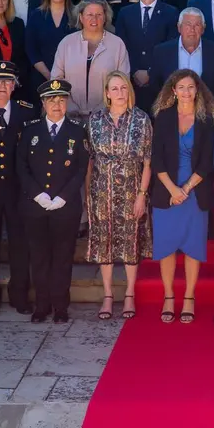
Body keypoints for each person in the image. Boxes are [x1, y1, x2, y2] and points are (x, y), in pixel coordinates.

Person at [150, 70, 214, 323]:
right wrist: (172, 189)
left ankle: (189, 297)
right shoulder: (163, 118)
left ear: (197, 90)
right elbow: (156, 157)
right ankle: (169, 296)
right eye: (181, 87)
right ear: (173, 90)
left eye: (191, 87)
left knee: (193, 247)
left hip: (195, 191)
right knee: (166, 246)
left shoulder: (207, 120)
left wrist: (186, 189)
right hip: (166, 191)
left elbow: (207, 161)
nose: (186, 92)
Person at [18, 78, 88, 323]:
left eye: (61, 100)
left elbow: (81, 168)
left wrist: (62, 197)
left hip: (65, 207)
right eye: (51, 100)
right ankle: (42, 305)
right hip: (35, 207)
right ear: (43, 103)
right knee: (39, 257)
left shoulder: (77, 131)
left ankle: (60, 306)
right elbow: (21, 166)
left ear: (67, 102)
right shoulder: (30, 130)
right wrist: (38, 195)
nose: (57, 105)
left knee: (62, 258)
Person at [86, 71, 153, 320]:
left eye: (123, 88)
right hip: (101, 192)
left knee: (130, 243)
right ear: (106, 93)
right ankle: (107, 296)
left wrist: (142, 195)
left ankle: (129, 295)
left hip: (131, 191)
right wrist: (88, 195)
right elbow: (90, 161)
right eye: (114, 89)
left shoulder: (141, 120)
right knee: (104, 244)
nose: (120, 93)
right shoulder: (95, 120)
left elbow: (147, 161)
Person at [0, 61, 38, 317]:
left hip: (17, 191)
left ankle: (19, 296)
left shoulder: (27, 112)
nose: (2, 86)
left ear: (14, 86)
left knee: (20, 246)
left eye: (7, 81)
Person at [50, 0, 131, 117]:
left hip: (107, 116)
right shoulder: (67, 43)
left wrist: (103, 109)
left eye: (99, 15)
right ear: (81, 17)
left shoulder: (117, 44)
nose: (94, 19)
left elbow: (123, 82)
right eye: (89, 15)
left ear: (105, 17)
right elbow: (56, 79)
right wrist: (70, 106)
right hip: (70, 115)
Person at [115, 0, 179, 113]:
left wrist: (150, 72)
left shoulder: (171, 12)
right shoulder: (125, 13)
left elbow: (170, 47)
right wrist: (135, 70)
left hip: (159, 84)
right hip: (131, 84)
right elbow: (122, 46)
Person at [153, 7, 214, 106]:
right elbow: (155, 88)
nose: (192, 30)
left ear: (203, 29)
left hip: (207, 113)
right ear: (179, 27)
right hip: (172, 111)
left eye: (197, 25)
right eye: (188, 25)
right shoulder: (162, 52)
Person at [26, 0, 77, 88]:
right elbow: (31, 49)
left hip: (72, 79)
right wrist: (50, 76)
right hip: (41, 79)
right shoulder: (36, 16)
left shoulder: (77, 16)